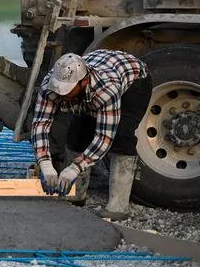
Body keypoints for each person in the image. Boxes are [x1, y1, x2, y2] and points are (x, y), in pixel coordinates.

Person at [31, 49, 153, 221]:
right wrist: (45, 164)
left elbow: (104, 137)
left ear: (83, 82)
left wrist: (75, 168)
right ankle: (76, 193)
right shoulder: (50, 86)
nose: (60, 94)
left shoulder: (107, 90)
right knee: (77, 134)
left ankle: (118, 206)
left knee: (121, 135)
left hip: (134, 81)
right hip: (100, 67)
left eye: (67, 91)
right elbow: (40, 125)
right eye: (59, 89)